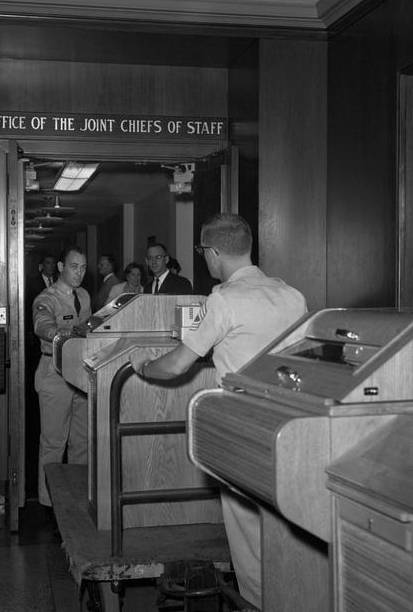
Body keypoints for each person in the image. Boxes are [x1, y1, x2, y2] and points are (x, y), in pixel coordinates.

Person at [129, 213, 307, 607]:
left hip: (241, 435)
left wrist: (142, 365)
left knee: (248, 544)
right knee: (284, 535)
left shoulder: (223, 300)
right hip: (290, 431)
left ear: (211, 253)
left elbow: (177, 365)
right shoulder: (293, 295)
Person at [32, 245, 91, 508]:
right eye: (73, 266)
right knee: (54, 443)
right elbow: (41, 325)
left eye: (83, 268)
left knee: (81, 441)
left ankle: (78, 495)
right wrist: (61, 334)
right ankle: (50, 502)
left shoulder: (85, 296)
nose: (79, 273)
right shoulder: (47, 298)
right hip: (54, 373)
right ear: (60, 267)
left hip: (80, 372)